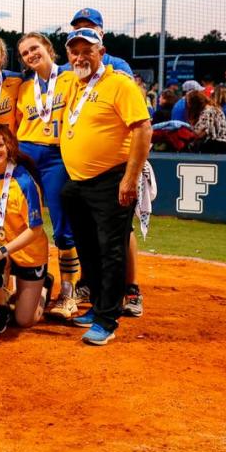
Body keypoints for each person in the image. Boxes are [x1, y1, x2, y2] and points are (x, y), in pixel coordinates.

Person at [59, 27, 151, 346]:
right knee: (88, 247)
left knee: (112, 250)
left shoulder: (120, 84)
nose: (80, 56)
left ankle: (107, 320)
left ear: (102, 51)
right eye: (74, 50)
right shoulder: (73, 81)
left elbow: (142, 129)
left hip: (111, 178)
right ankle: (97, 304)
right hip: (79, 183)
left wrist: (130, 177)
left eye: (87, 50)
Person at [14, 33, 81, 318]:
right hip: (27, 155)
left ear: (48, 49)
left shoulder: (70, 79)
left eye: (35, 48)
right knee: (19, 218)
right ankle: (30, 279)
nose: (31, 55)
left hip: (56, 156)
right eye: (25, 53)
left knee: (63, 225)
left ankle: (69, 293)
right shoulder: (23, 86)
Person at [0, 124, 51, 333]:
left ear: (9, 146)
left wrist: (2, 251)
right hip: (1, 242)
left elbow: (34, 230)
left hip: (28, 250)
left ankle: (43, 290)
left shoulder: (25, 182)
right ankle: (1, 308)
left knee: (24, 320)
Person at [61, 8, 134, 75]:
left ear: (101, 34)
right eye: (78, 28)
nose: (82, 32)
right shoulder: (64, 70)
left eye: (88, 28)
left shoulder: (118, 65)